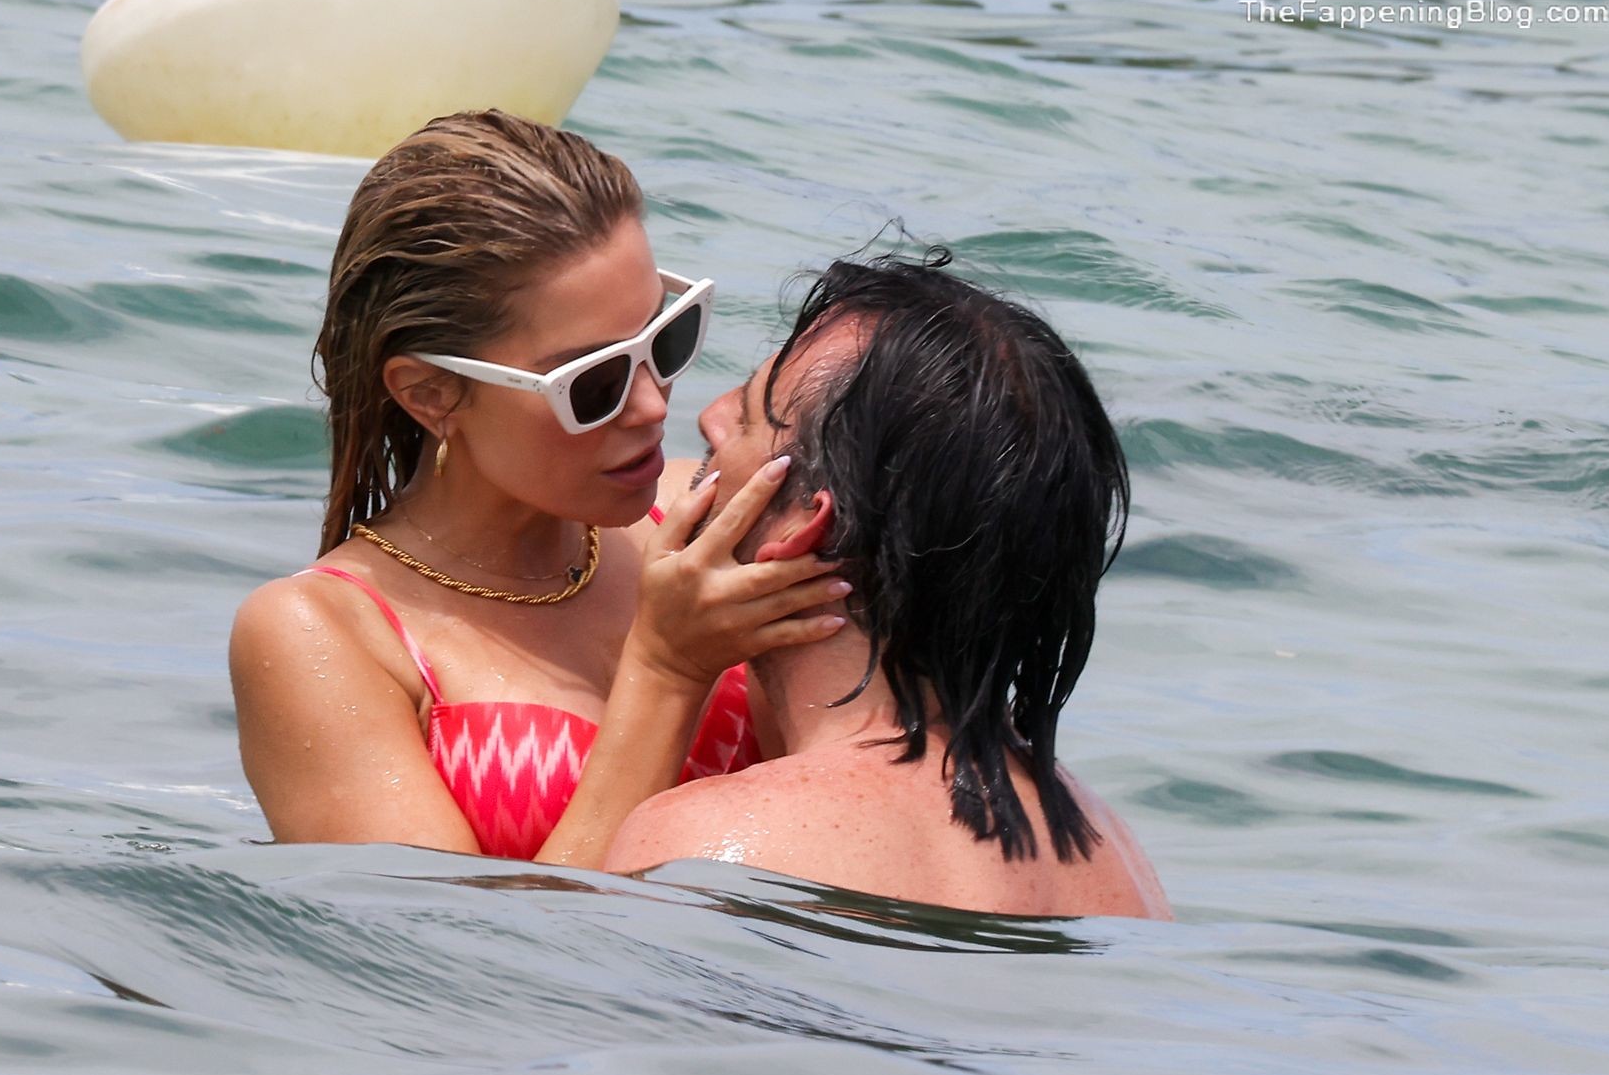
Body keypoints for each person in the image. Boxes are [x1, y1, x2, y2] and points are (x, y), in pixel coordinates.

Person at [228, 110, 849, 866]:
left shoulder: (707, 516)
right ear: (430, 394)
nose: (653, 405)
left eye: (666, 338)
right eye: (594, 383)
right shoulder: (325, 635)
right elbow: (443, 937)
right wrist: (668, 672)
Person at [605, 252, 1171, 918]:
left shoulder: (707, 847)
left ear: (808, 523)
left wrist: (665, 668)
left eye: (751, 417)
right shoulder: (1114, 859)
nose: (710, 417)